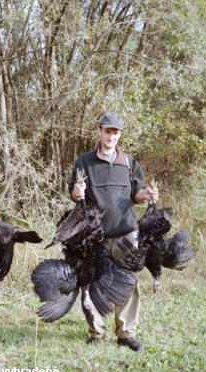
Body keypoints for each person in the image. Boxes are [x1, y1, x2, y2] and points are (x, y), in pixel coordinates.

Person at [68, 113, 158, 352]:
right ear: (99, 131)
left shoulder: (129, 162)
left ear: (120, 135)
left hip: (126, 232)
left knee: (128, 281)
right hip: (94, 234)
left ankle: (126, 333)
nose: (111, 136)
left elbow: (136, 195)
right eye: (108, 131)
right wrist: (77, 191)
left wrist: (146, 195)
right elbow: (75, 194)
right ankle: (96, 332)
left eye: (116, 132)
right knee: (93, 282)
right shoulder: (85, 162)